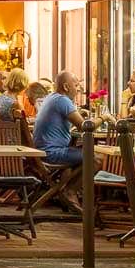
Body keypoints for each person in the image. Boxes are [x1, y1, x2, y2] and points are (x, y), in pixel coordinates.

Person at [33, 70, 88, 207]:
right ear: (66, 87)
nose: (78, 90)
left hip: (42, 151)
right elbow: (85, 127)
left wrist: (77, 113)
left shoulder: (51, 98)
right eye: (76, 86)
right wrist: (104, 117)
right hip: (52, 153)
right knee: (96, 158)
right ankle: (70, 191)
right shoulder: (63, 100)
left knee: (77, 157)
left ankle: (63, 191)